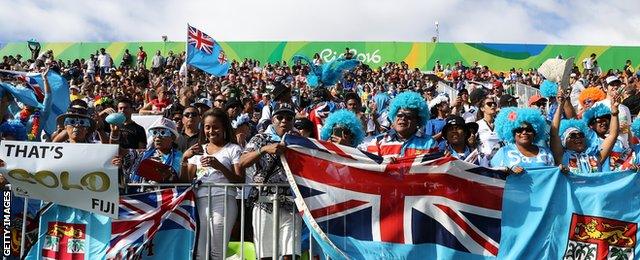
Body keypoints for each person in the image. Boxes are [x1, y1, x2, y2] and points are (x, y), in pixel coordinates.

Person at [239, 103, 301, 259]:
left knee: (290, 254)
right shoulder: (260, 138)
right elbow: (242, 161)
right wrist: (264, 149)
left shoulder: (299, 140)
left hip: (292, 204)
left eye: (288, 117)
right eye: (279, 117)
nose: (284, 121)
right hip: (263, 203)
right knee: (266, 255)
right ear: (272, 119)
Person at [180, 108, 244, 260]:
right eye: (207, 127)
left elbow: (240, 181)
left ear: (224, 128)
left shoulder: (233, 149)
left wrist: (219, 166)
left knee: (217, 251)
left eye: (215, 127)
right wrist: (184, 159)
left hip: (223, 200)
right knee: (199, 252)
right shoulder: (197, 150)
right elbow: (185, 181)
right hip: (199, 201)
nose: (211, 131)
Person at [550, 91, 618, 174]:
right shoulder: (561, 156)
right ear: (564, 142)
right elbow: (554, 134)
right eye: (573, 135)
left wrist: (614, 114)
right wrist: (560, 105)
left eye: (581, 135)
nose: (578, 137)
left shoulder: (595, 157)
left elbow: (612, 136)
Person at [112, 118, 183, 193]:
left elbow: (180, 180)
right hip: (139, 197)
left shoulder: (179, 157)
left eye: (163, 133)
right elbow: (119, 151)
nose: (158, 137)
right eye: (155, 133)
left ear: (173, 138)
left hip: (164, 198)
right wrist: (114, 134)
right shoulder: (142, 154)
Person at [365, 91, 438, 158]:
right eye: (399, 115)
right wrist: (384, 166)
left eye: (408, 116)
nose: (403, 118)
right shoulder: (378, 142)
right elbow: (370, 167)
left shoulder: (430, 143)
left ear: (418, 120)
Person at [490, 107, 554, 173]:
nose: (524, 133)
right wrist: (508, 170)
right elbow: (492, 173)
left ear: (535, 133)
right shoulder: (504, 152)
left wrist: (561, 170)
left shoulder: (546, 152)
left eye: (529, 130)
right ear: (512, 133)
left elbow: (552, 174)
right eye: (519, 130)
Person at [582, 104, 627, 171]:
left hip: (618, 179)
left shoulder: (618, 142)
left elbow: (625, 161)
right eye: (600, 120)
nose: (604, 123)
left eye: (607, 120)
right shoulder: (588, 142)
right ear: (590, 125)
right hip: (601, 179)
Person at [476, 95, 502, 167]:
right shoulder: (478, 125)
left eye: (494, 103)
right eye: (489, 104)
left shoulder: (500, 124)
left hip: (499, 162)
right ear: (482, 108)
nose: (493, 105)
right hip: (484, 164)